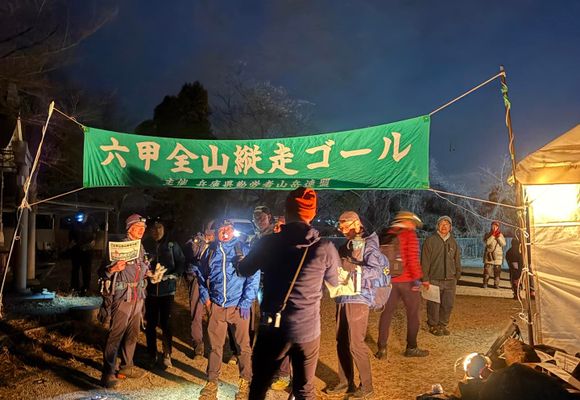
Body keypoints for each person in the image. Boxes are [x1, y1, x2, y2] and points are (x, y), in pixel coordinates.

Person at [238, 187, 350, 400]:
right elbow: (338, 286)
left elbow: (244, 270)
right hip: (307, 329)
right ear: (312, 214)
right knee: (304, 390)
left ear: (286, 211)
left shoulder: (268, 243)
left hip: (273, 327)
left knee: (259, 385)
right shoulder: (325, 247)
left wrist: (239, 259)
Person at [324, 211, 387, 399]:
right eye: (341, 227)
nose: (343, 230)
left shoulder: (369, 244)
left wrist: (352, 270)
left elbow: (376, 271)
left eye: (346, 226)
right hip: (344, 295)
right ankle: (345, 382)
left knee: (356, 343)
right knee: (341, 341)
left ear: (357, 223)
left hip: (359, 297)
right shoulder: (348, 244)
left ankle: (367, 387)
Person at [197, 219, 260, 400]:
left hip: (239, 307)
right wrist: (205, 298)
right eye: (221, 229)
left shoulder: (243, 250)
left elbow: (254, 276)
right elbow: (200, 274)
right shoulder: (210, 251)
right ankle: (211, 383)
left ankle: (245, 383)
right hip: (217, 306)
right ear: (216, 232)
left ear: (233, 230)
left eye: (229, 229)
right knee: (214, 347)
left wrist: (246, 302)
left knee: (243, 347)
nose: (225, 232)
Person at [99, 213, 150, 388]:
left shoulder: (141, 248)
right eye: (137, 227)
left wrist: (150, 273)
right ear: (129, 229)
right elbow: (102, 272)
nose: (141, 231)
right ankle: (108, 373)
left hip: (138, 296)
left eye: (143, 228)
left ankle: (126, 367)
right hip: (122, 297)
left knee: (133, 334)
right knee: (116, 335)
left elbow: (142, 268)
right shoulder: (118, 247)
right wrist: (112, 269)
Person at [376, 211, 429, 360]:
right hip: (406, 281)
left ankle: (382, 348)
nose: (414, 226)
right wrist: (418, 279)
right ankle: (411, 347)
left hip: (389, 281)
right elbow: (412, 259)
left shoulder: (387, 234)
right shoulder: (408, 235)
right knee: (413, 314)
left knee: (386, 314)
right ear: (407, 221)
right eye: (413, 223)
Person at [252, 205, 292, 392]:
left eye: (262, 217)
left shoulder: (277, 237)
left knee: (280, 327)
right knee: (267, 327)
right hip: (262, 287)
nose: (259, 221)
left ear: (270, 217)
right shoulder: (257, 238)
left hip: (278, 289)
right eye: (256, 218)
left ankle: (284, 373)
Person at [143, 218, 185, 369]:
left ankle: (167, 354)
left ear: (164, 229)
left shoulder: (172, 245)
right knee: (150, 324)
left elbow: (181, 262)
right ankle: (151, 354)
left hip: (167, 290)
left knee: (166, 323)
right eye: (153, 228)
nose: (156, 231)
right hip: (150, 291)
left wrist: (173, 275)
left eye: (159, 227)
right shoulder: (145, 244)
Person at [421, 215, 462, 336]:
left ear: (450, 227)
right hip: (434, 278)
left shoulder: (453, 242)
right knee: (433, 304)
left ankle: (442, 324)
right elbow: (425, 261)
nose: (444, 226)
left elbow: (457, 259)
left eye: (447, 224)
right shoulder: (430, 241)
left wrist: (457, 274)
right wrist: (425, 278)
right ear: (438, 226)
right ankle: (433, 325)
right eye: (442, 224)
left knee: (448, 304)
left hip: (450, 279)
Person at [184, 222, 214, 359]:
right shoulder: (195, 241)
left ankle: (215, 345)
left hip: (214, 281)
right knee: (196, 312)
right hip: (198, 279)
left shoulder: (220, 244)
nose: (211, 233)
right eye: (209, 231)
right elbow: (190, 255)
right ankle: (198, 345)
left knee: (215, 314)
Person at [69, 212, 97, 296]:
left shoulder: (91, 224)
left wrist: (93, 242)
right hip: (76, 250)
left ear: (86, 216)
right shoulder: (74, 224)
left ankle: (86, 287)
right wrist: (71, 242)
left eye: (83, 216)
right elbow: (70, 235)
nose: (81, 219)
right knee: (75, 269)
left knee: (86, 270)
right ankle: (75, 287)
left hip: (87, 251)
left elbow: (96, 234)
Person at [483, 221, 506, 289]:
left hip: (498, 257)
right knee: (487, 272)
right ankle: (485, 283)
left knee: (497, 272)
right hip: (489, 256)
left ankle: (496, 284)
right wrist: (493, 235)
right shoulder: (487, 234)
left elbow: (503, 244)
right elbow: (487, 242)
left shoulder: (500, 235)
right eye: (493, 225)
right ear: (491, 226)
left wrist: (498, 237)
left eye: (496, 226)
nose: (495, 227)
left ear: (498, 227)